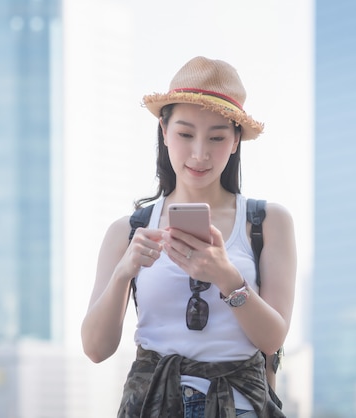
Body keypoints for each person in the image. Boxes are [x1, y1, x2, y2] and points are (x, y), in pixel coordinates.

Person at [81, 56, 297, 418]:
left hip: (238, 406)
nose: (199, 153)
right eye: (185, 134)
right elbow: (95, 348)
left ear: (235, 141)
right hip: (151, 404)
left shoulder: (267, 221)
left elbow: (273, 339)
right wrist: (124, 272)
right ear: (164, 132)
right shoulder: (128, 230)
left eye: (216, 137)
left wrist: (226, 277)